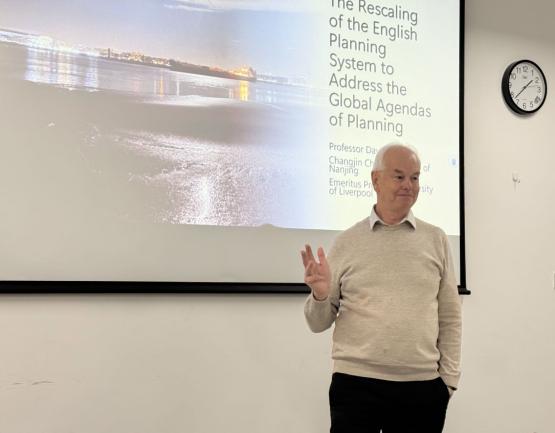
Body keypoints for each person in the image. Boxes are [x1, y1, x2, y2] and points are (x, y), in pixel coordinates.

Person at [302, 143, 462, 433]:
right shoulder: (347, 242)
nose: (408, 185)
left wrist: (448, 382)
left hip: (421, 388)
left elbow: (450, 316)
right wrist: (321, 294)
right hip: (356, 386)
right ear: (375, 180)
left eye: (415, 177)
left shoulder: (436, 239)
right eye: (399, 176)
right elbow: (317, 323)